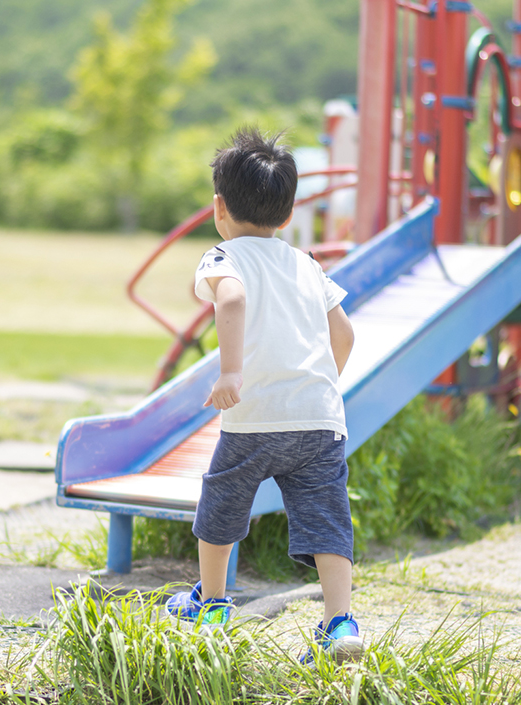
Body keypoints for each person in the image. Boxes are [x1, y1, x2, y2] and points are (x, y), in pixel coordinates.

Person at [165, 126, 362, 664]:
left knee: (223, 501)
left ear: (218, 208)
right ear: (289, 213)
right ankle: (339, 623)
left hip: (254, 420)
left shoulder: (223, 257)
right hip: (319, 418)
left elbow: (230, 299)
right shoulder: (306, 262)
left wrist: (231, 373)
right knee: (326, 516)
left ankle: (213, 602)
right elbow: (343, 335)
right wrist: (321, 386)